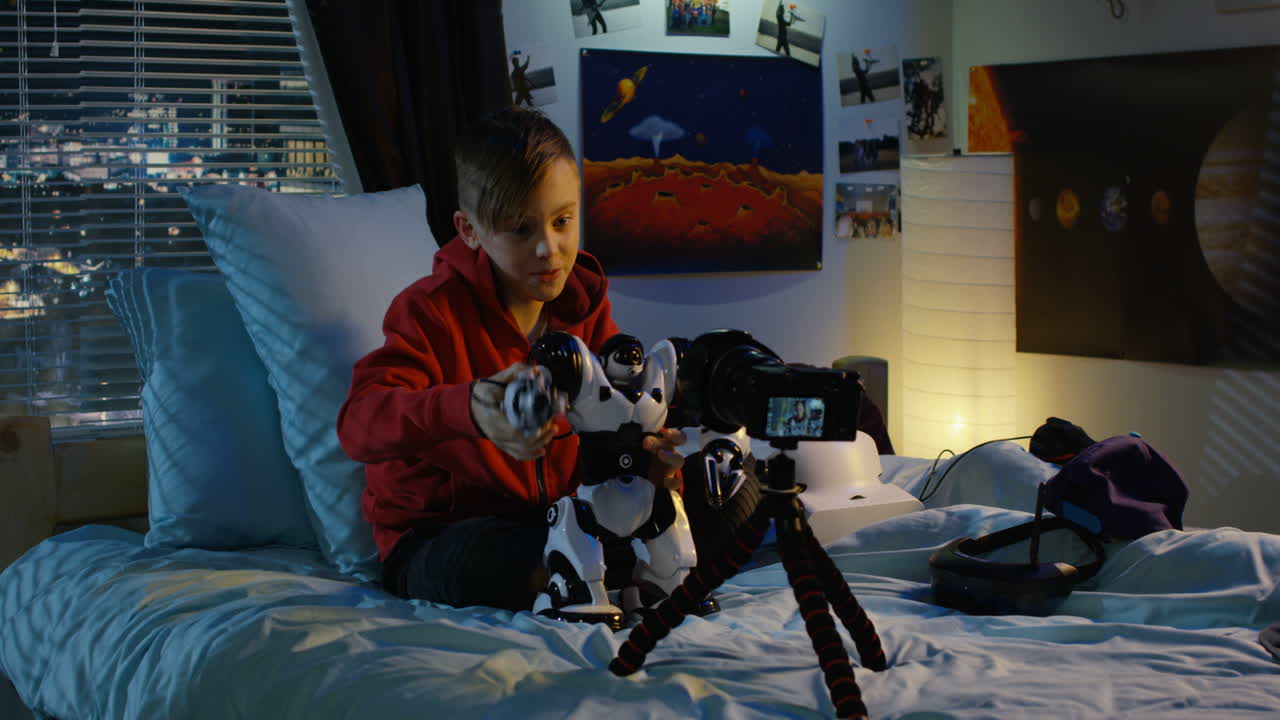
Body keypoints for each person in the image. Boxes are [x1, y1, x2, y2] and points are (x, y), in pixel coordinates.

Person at [336, 106, 687, 613]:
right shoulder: (428, 312)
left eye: (563, 221)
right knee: (497, 555)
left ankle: (598, 575)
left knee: (722, 493)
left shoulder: (585, 305)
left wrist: (654, 462)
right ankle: (585, 577)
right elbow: (358, 426)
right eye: (521, 230)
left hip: (563, 517)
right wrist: (471, 409)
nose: (549, 248)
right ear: (469, 230)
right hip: (442, 535)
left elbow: (617, 419)